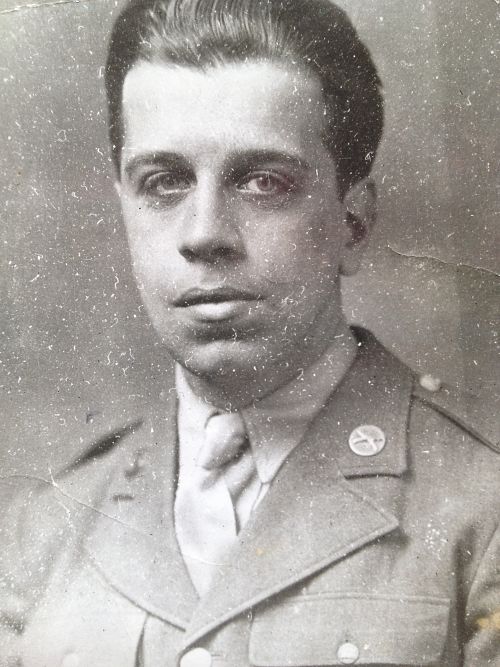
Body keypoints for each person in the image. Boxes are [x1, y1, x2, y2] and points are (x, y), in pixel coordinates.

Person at [0, 0, 498, 665]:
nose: (205, 233)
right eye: (164, 182)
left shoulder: (482, 502)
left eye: (264, 181)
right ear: (124, 205)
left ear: (353, 222)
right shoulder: (42, 527)